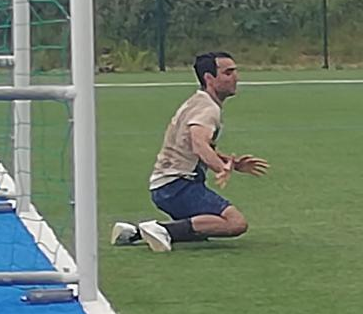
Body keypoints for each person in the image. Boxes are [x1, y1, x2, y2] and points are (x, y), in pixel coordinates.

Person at [113, 51, 267, 252]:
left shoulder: (197, 101)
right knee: (235, 223)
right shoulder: (209, 109)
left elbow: (197, 145)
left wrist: (232, 163)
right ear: (209, 78)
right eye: (228, 73)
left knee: (201, 230)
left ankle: (133, 233)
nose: (235, 77)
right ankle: (161, 229)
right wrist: (220, 168)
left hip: (165, 186)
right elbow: (199, 143)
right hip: (178, 186)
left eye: (235, 72)